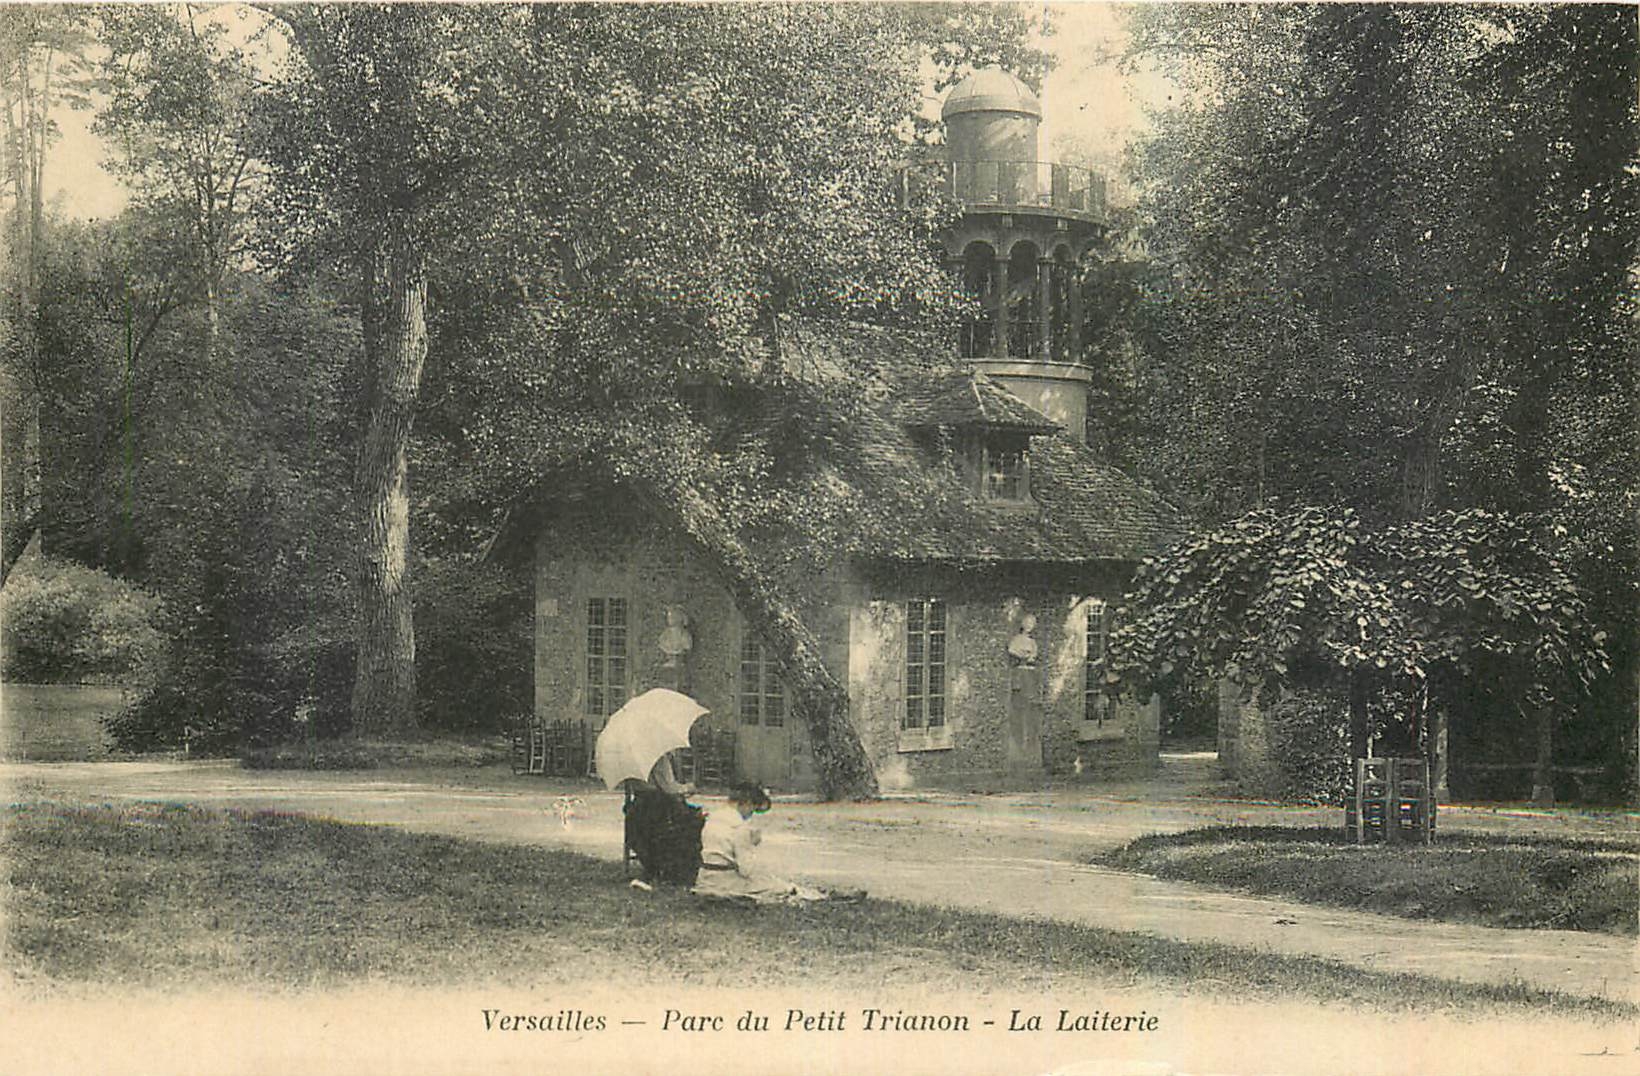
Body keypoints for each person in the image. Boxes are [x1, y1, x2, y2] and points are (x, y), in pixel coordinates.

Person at [692, 783, 859, 904]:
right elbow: (746, 870)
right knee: (781, 887)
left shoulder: (713, 819)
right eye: (753, 810)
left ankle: (820, 894)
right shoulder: (740, 828)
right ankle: (825, 897)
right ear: (746, 803)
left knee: (771, 882)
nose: (751, 815)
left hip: (705, 878)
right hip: (727, 883)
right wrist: (752, 844)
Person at [622, 755, 703, 886]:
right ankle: (673, 868)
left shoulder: (631, 758)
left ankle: (653, 867)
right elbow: (668, 788)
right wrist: (689, 787)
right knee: (690, 824)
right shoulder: (658, 758)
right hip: (657, 807)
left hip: (638, 808)